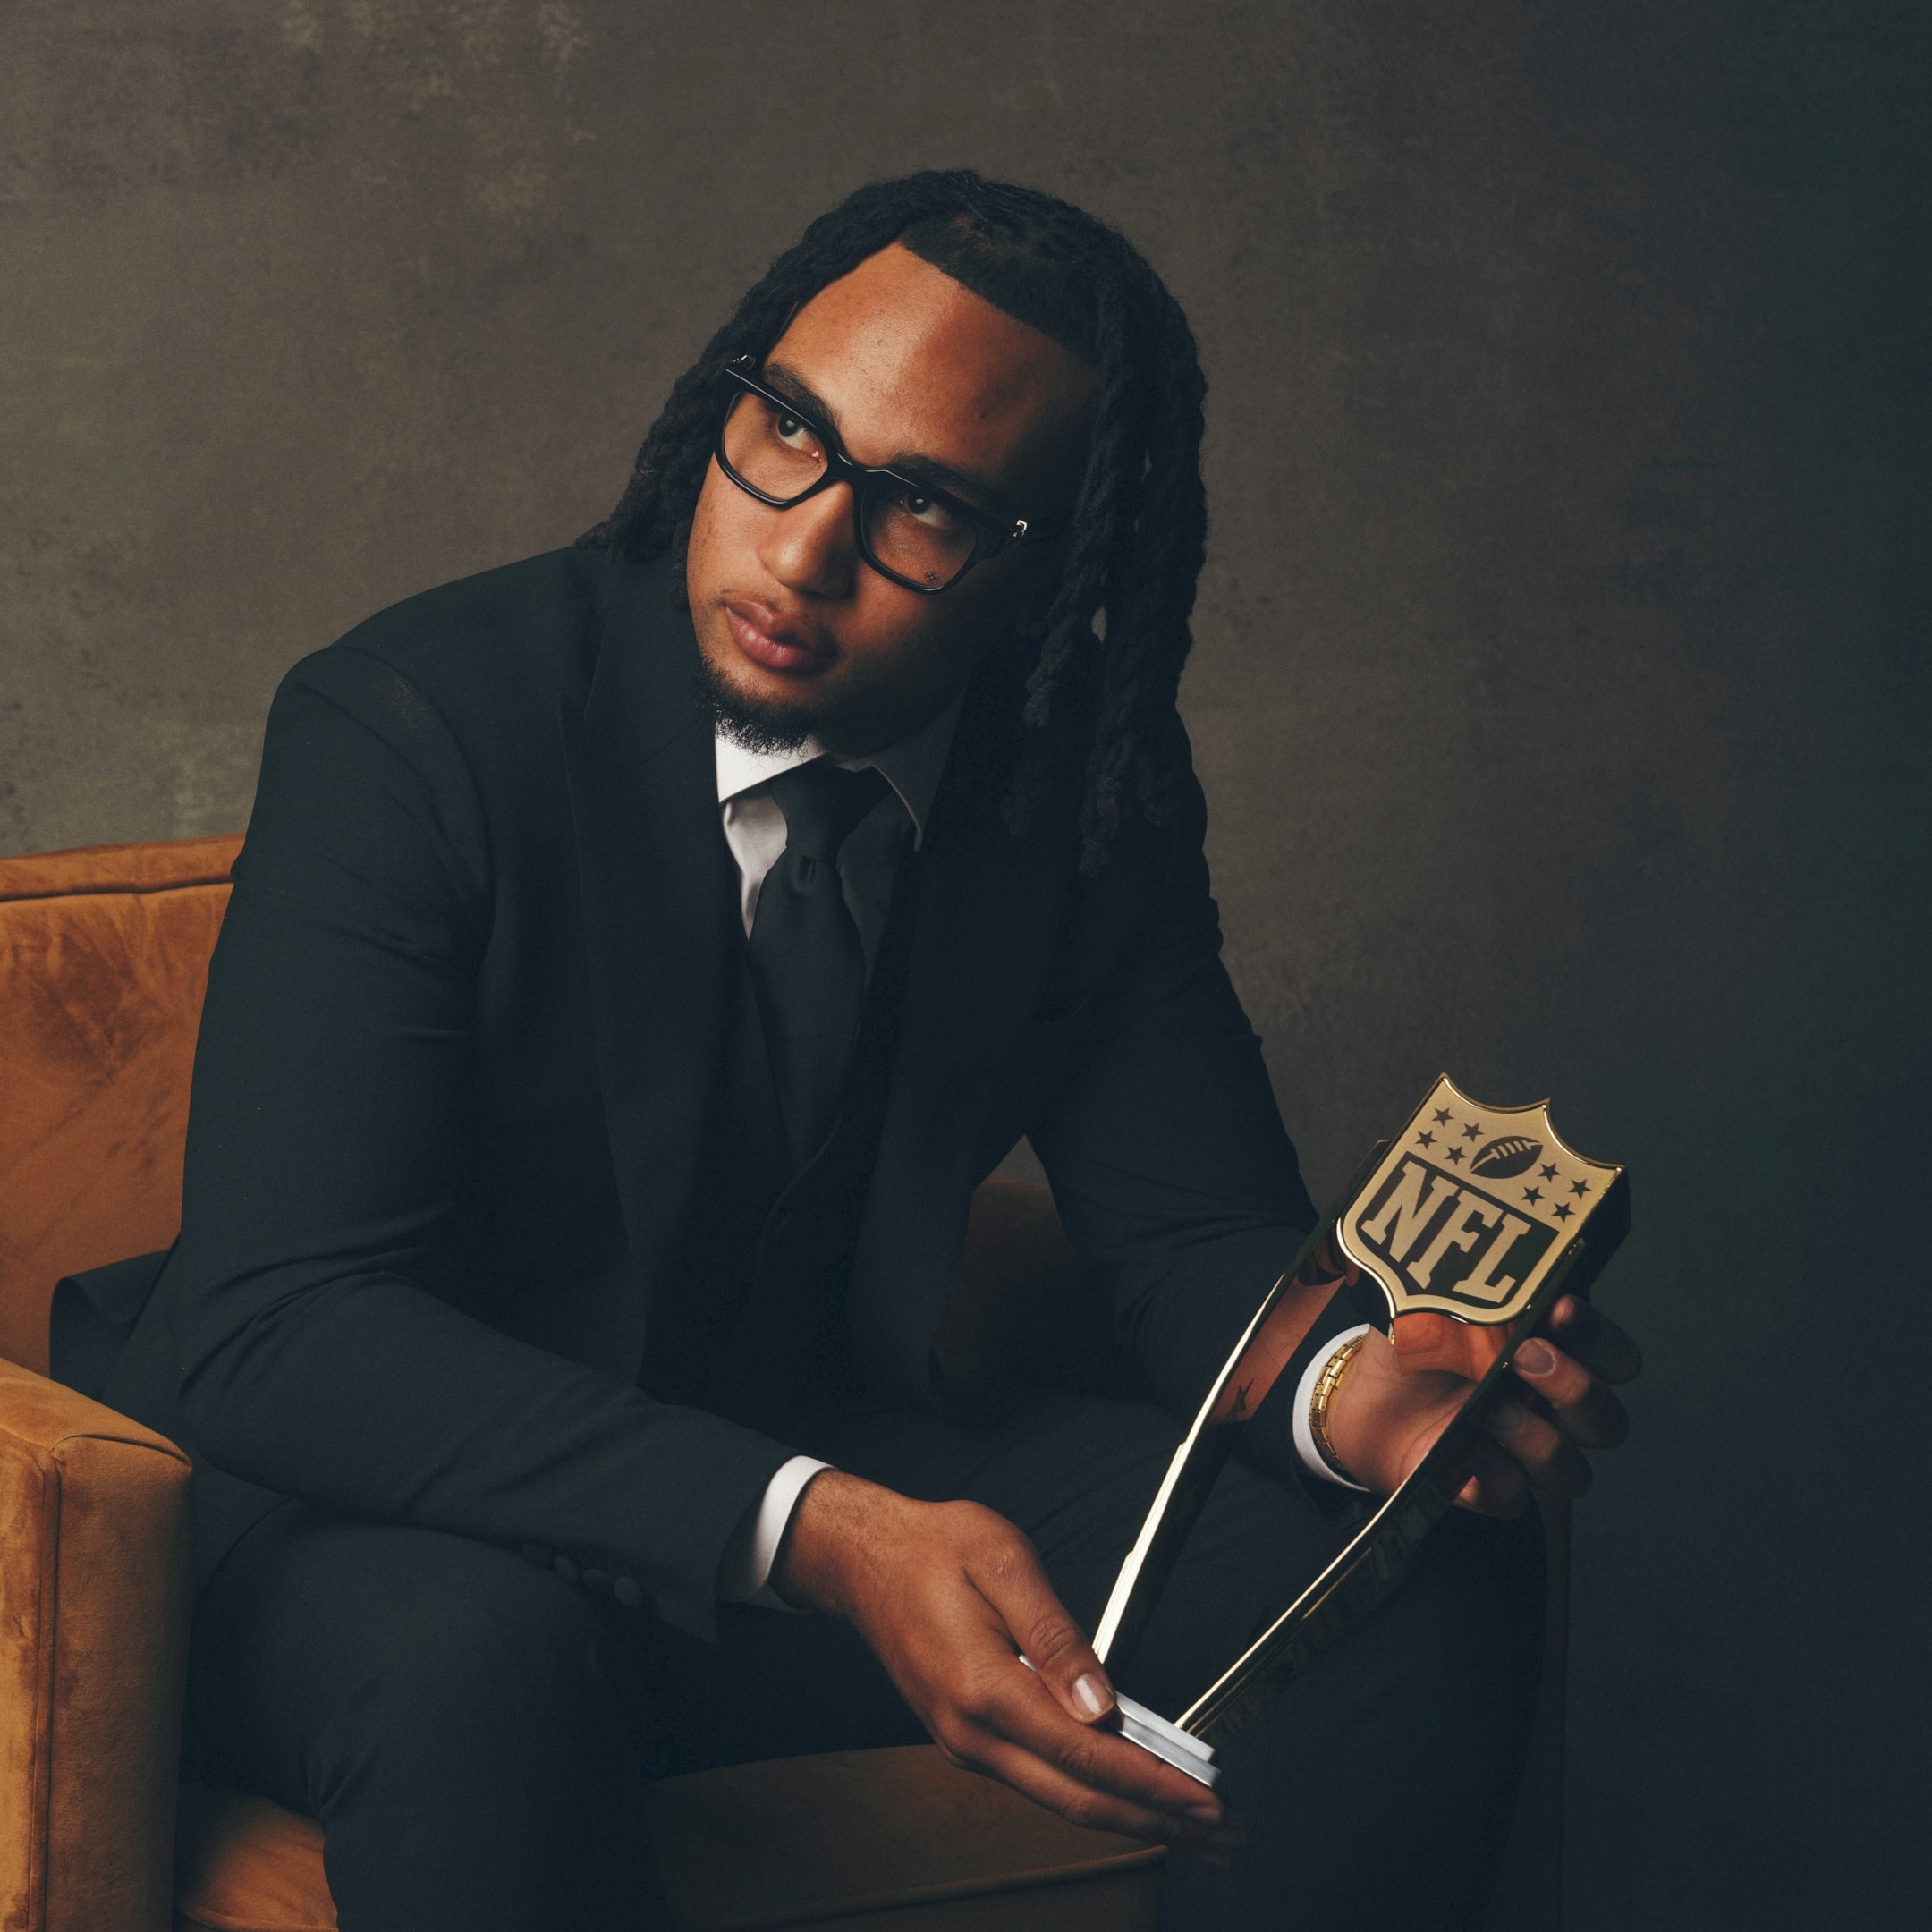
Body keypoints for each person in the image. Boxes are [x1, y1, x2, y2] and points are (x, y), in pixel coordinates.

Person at [80, 167, 1641, 1931]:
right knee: (487, 1660)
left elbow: (1191, 1232)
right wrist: (823, 1524)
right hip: (347, 1528)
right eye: (788, 431)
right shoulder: (418, 720)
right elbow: (286, 1329)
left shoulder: (1071, 803)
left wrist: (1354, 1396)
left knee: (1407, 1555)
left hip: (777, 1473)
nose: (803, 547)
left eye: (929, 511)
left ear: (1050, 583)